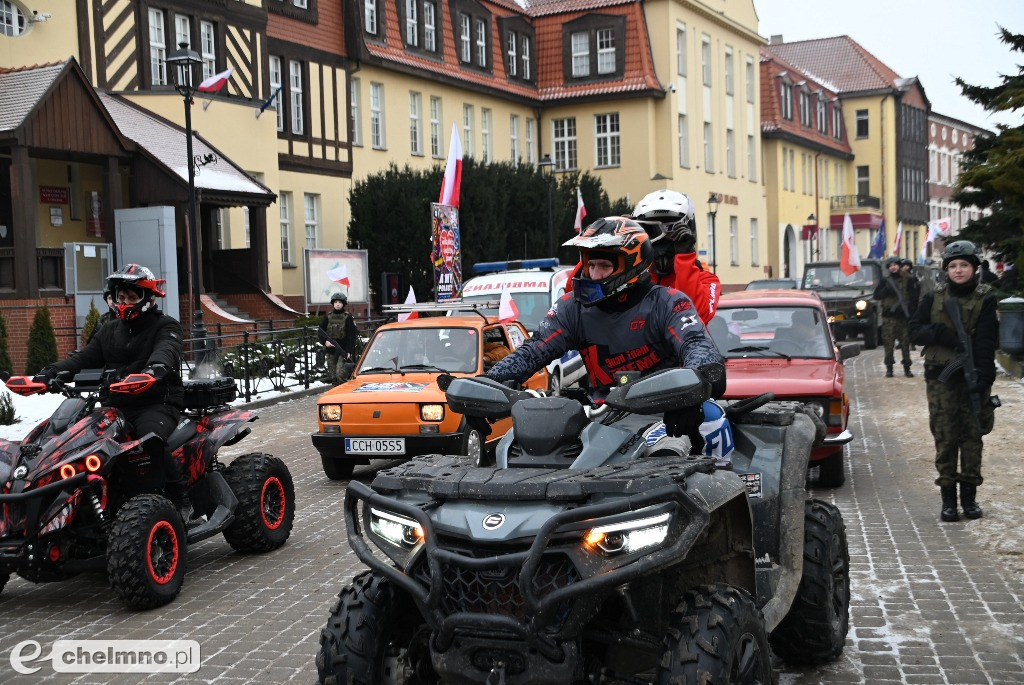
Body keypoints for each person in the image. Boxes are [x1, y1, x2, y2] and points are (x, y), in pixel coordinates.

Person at [487, 216, 725, 451]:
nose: (595, 274)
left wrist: (688, 395)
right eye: (591, 265)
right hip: (600, 419)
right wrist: (489, 383)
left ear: (632, 265)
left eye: (604, 266)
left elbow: (697, 345)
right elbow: (531, 351)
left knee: (669, 449)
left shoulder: (667, 302)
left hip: (663, 415)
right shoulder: (573, 308)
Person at [33, 264, 188, 516]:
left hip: (156, 402)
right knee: (74, 442)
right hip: (114, 406)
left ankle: (180, 498)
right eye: (121, 296)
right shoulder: (108, 330)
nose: (125, 302)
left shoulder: (166, 326)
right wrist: (48, 373)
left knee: (150, 440)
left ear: (148, 298)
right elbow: (82, 359)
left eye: (132, 296)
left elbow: (166, 351)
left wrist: (153, 371)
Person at [909, 240, 999, 523]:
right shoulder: (932, 297)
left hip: (972, 379)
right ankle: (948, 501)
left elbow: (987, 342)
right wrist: (939, 333)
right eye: (953, 266)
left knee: (972, 438)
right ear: (946, 270)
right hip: (941, 379)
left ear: (974, 268)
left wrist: (983, 378)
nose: (958, 271)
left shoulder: (986, 297)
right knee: (945, 438)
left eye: (964, 265)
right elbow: (914, 331)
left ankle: (969, 499)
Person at [564, 190, 722, 324]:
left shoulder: (706, 280)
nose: (661, 248)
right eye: (651, 232)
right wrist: (607, 245)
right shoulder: (629, 276)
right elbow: (574, 294)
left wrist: (685, 259)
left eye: (672, 234)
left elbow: (694, 316)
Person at [873, 256, 915, 377]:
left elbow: (913, 298)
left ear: (899, 266)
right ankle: (889, 368)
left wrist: (912, 315)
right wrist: (886, 290)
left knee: (905, 344)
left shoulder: (908, 279)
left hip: (903, 318)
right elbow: (877, 296)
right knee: (889, 345)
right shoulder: (885, 281)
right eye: (890, 266)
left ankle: (907, 368)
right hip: (888, 318)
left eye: (895, 265)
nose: (893, 267)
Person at [320, 292, 358, 383]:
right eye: (336, 302)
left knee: (340, 375)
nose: (337, 304)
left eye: (340, 302)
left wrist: (349, 350)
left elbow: (352, 335)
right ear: (333, 303)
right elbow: (321, 332)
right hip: (331, 350)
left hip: (343, 350)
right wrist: (325, 342)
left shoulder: (348, 317)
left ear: (343, 304)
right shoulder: (328, 317)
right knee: (332, 376)